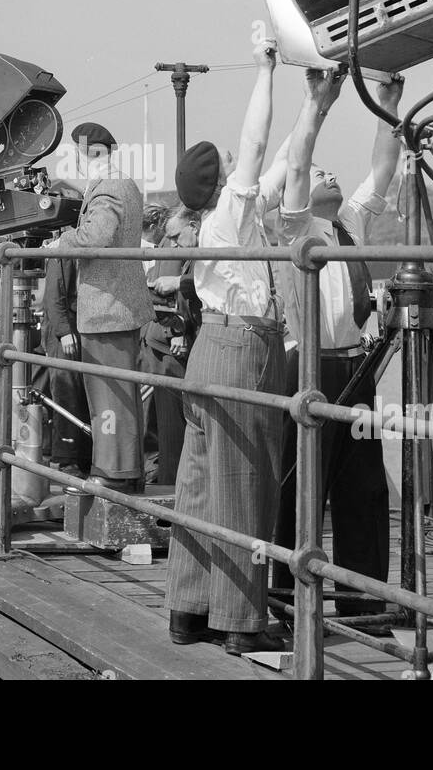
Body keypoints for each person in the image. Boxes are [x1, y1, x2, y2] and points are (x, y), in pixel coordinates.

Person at [166, 43, 288, 656]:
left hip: (208, 351)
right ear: (220, 184)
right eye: (230, 164)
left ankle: (187, 610)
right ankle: (240, 621)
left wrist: (317, 104)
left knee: (197, 485)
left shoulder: (224, 222)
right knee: (244, 483)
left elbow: (280, 159)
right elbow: (259, 144)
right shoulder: (226, 221)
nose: (241, 162)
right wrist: (266, 68)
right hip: (241, 348)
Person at [269, 69, 403, 614]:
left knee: (364, 490)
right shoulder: (294, 226)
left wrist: (390, 103)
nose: (328, 172)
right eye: (319, 171)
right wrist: (315, 105)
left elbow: (383, 170)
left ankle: (362, 602)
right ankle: (283, 597)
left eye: (331, 169)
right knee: (299, 491)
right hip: (309, 369)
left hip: (355, 370)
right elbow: (298, 162)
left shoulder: (348, 224)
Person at [51, 122, 155, 493]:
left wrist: (60, 241)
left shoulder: (109, 186)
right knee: (112, 396)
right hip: (112, 307)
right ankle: (116, 468)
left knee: (109, 397)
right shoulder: (119, 183)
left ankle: (115, 473)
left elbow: (96, 236)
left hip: (108, 308)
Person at [139, 205, 201, 487]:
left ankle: (167, 478)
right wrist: (174, 330)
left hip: (168, 338)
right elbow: (164, 291)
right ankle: (171, 484)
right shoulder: (172, 244)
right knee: (172, 421)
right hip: (170, 341)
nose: (174, 242)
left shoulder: (173, 242)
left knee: (165, 418)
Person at [37, 227, 92, 477]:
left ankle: (79, 454)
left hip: (76, 324)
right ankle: (67, 457)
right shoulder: (66, 248)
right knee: (66, 391)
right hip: (67, 327)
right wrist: (63, 330)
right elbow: (54, 293)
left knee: (76, 393)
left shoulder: (73, 245)